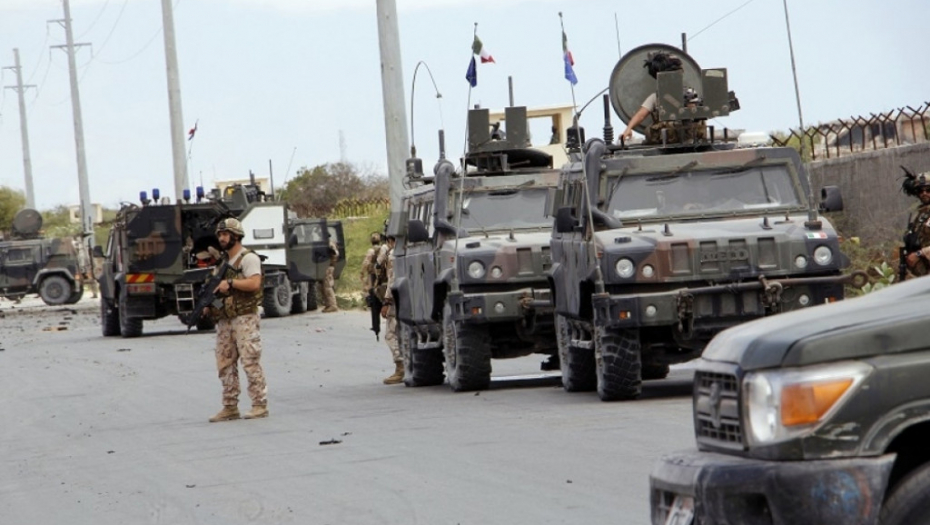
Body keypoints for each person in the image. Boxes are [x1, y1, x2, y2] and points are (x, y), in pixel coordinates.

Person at [206, 218, 269, 422]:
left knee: (250, 360)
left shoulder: (248, 258)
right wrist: (209, 305)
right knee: (224, 363)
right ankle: (230, 406)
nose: (222, 238)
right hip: (225, 319)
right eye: (220, 235)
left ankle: (259, 404)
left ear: (236, 236)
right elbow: (216, 289)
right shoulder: (223, 263)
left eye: (226, 234)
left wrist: (231, 283)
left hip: (244, 317)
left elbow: (254, 283)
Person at [620, 52, 704, 145]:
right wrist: (628, 129)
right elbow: (641, 115)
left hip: (688, 135)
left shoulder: (689, 93)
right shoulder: (656, 97)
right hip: (667, 137)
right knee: (649, 131)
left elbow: (696, 112)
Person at [378, 235, 403, 385]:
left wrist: (387, 301)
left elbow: (392, 280)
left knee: (391, 334)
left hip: (396, 299)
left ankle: (401, 367)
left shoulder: (394, 254)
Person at [902, 171, 930, 278]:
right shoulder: (919, 215)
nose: (924, 193)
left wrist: (919, 254)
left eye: (928, 190)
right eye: (920, 190)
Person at [319, 238, 340, 313]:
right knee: (323, 287)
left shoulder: (330, 244)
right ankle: (328, 304)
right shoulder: (329, 243)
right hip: (327, 266)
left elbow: (335, 253)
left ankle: (333, 305)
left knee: (328, 287)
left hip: (329, 267)